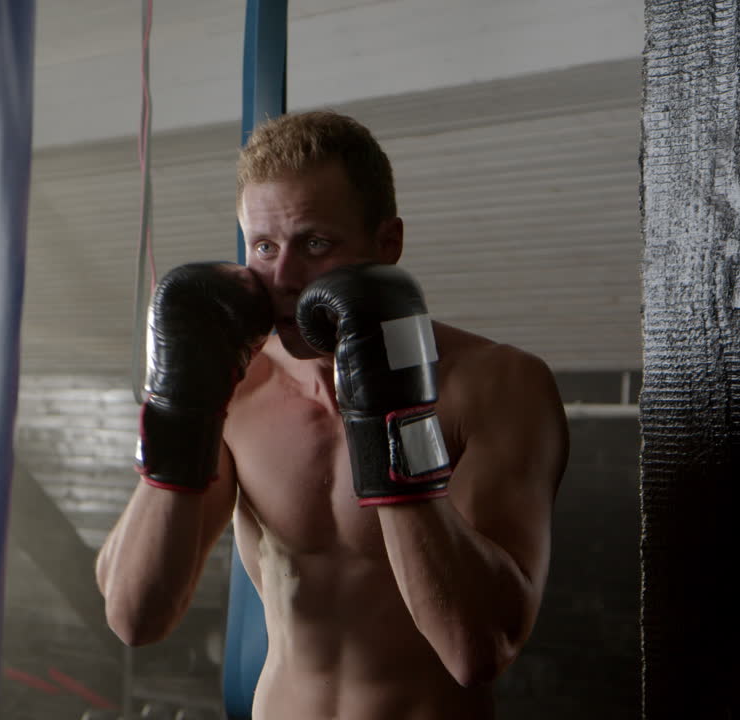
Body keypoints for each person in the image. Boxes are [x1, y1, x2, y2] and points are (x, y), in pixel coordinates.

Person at [95, 110, 569, 719]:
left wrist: (389, 421)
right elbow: (135, 616)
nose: (284, 276)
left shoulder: (497, 385)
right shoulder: (236, 387)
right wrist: (181, 410)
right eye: (263, 246)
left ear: (386, 244)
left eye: (315, 243)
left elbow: (478, 649)